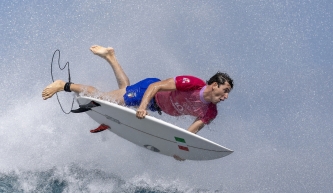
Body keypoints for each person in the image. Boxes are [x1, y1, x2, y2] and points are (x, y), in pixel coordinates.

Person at [42, 45, 233, 135]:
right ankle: (63, 85)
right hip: (148, 92)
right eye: (225, 90)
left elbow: (190, 133)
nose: (225, 97)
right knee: (106, 99)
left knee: (125, 91)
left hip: (154, 105)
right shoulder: (192, 83)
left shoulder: (210, 112)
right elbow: (155, 86)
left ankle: (111, 57)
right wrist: (142, 107)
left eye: (228, 94)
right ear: (214, 85)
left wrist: (179, 149)